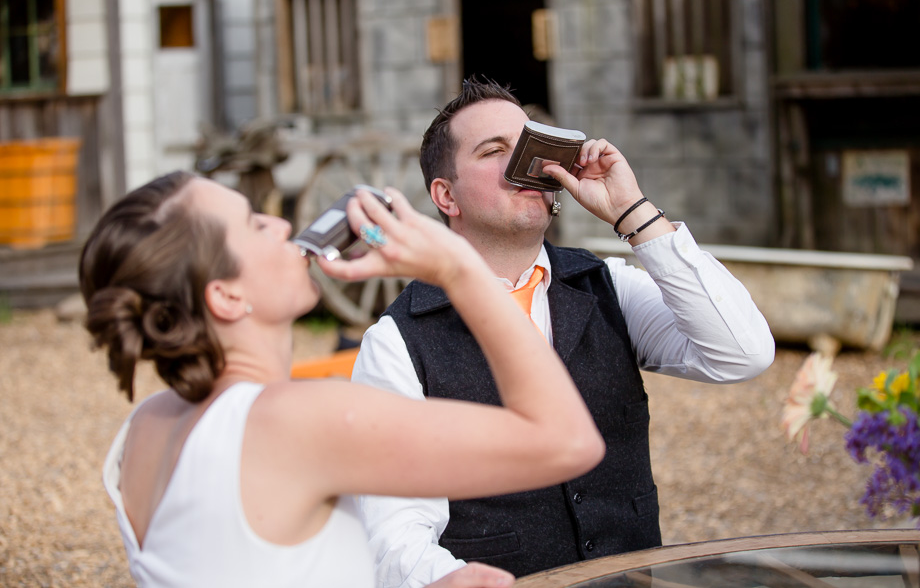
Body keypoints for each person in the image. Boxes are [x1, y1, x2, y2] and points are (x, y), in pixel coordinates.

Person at [80, 170, 606, 587]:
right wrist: (458, 270)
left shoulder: (147, 425)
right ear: (226, 296)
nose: (283, 225)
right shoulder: (292, 420)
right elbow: (567, 441)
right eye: (253, 224)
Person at [352, 77, 777, 585]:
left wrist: (631, 211)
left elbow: (742, 352)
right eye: (495, 151)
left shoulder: (607, 286)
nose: (523, 163)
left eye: (531, 142)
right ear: (446, 195)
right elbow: (395, 534)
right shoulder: (397, 341)